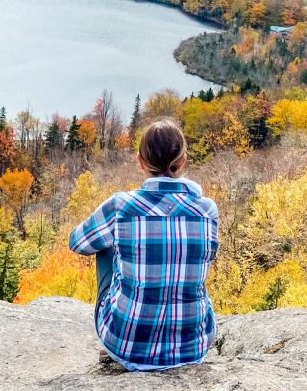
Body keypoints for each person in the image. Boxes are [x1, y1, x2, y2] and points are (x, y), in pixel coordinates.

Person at [68, 119, 219, 371]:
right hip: (193, 346)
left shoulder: (121, 206)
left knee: (104, 242)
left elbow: (77, 243)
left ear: (140, 161)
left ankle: (126, 325)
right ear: (182, 162)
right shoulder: (207, 210)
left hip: (126, 344)